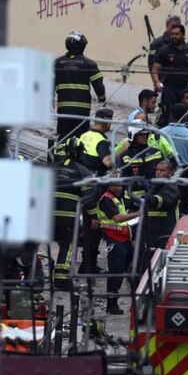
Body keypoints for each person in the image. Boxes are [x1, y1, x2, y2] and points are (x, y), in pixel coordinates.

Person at [54, 31, 106, 158]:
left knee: (64, 135)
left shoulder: (57, 63)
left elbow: (49, 84)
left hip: (63, 109)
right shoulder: (89, 64)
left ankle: (60, 159)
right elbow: (98, 85)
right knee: (81, 135)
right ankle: (78, 160)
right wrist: (102, 99)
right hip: (82, 110)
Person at [76, 108, 114, 275]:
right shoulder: (101, 141)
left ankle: (86, 265)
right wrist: (122, 149)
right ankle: (88, 267)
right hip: (94, 191)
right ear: (107, 122)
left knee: (88, 228)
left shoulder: (85, 135)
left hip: (81, 189)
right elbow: (107, 163)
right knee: (95, 228)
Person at [51, 142, 91, 291]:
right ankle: (61, 279)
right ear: (80, 153)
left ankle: (34, 276)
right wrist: (92, 217)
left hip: (47, 216)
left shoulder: (53, 167)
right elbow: (89, 197)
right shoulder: (82, 171)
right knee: (67, 246)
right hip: (68, 216)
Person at [97, 181, 141, 314]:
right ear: (110, 186)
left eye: (121, 185)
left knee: (133, 271)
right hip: (114, 239)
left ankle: (138, 300)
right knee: (116, 273)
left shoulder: (117, 198)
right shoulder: (106, 199)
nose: (121, 188)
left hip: (124, 239)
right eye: (118, 185)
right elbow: (117, 218)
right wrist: (138, 213)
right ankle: (111, 304)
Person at [152, 23, 188, 125]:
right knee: (169, 114)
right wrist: (157, 83)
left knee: (185, 114)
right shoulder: (164, 51)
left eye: (177, 34)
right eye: (172, 34)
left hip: (184, 89)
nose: (174, 36)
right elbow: (155, 69)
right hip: (169, 89)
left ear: (183, 35)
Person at [161, 103, 188, 213]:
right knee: (184, 201)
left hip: (165, 171)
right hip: (184, 171)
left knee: (165, 197)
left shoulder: (162, 132)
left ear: (171, 115)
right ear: (186, 116)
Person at [143, 160, 181, 250]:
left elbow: (163, 201)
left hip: (165, 231)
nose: (158, 173)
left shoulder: (172, 187)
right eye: (157, 170)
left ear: (170, 173)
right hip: (152, 232)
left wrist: (147, 199)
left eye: (162, 170)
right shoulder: (156, 186)